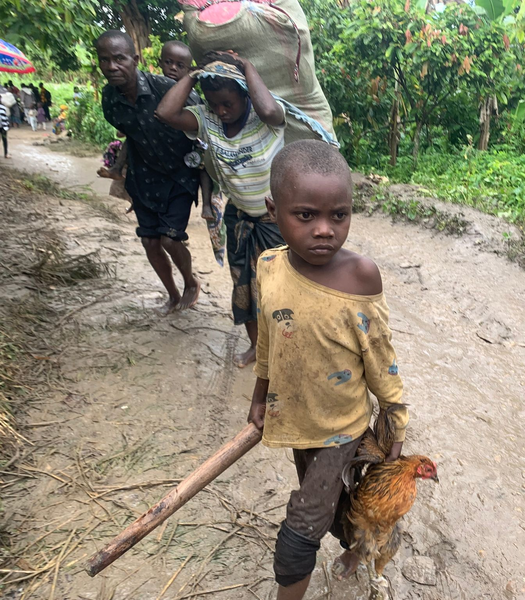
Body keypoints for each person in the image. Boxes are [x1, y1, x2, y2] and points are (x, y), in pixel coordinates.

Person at [246, 140, 409, 600]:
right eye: (305, 216)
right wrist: (260, 394)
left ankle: (320, 567)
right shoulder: (269, 266)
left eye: (339, 215)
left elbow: (380, 356)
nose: (324, 230)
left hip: (342, 426)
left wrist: (395, 417)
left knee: (300, 525)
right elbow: (268, 340)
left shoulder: (360, 276)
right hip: (297, 420)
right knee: (334, 501)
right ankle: (355, 543)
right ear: (273, 210)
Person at [156, 51, 287, 367]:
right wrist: (196, 73)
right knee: (244, 287)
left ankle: (283, 353)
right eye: (214, 104)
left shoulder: (265, 118)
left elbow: (269, 107)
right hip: (239, 217)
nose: (221, 110)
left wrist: (245, 65)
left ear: (245, 95)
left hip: (277, 221)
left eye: (228, 103)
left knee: (280, 292)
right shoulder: (207, 121)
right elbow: (165, 112)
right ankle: (257, 347)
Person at [96, 30, 202, 315]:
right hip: (143, 178)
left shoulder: (165, 88)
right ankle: (172, 294)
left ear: (135, 59)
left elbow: (205, 125)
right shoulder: (110, 99)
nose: (111, 66)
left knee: (170, 238)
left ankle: (191, 282)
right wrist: (120, 171)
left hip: (180, 175)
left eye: (119, 58)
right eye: (104, 60)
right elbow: (130, 135)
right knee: (150, 242)